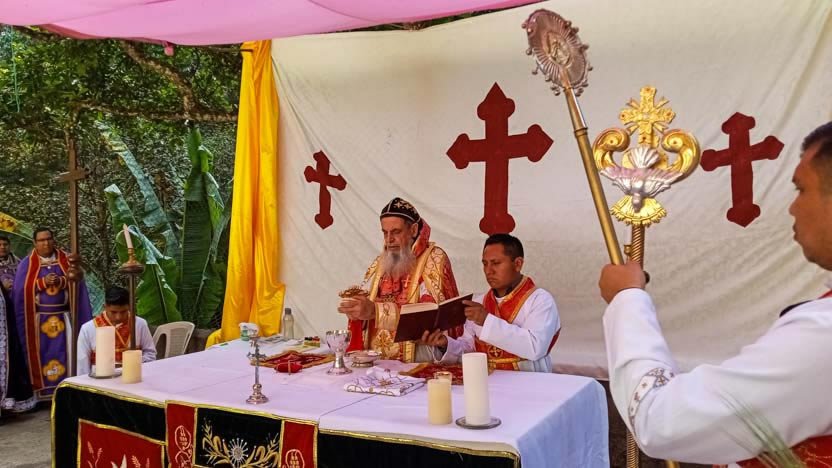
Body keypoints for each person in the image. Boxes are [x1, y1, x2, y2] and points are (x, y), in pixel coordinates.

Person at [598, 121, 832, 466]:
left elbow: (661, 420)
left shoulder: (824, 335)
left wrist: (627, 300)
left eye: (801, 189)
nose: (792, 208)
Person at [339, 197, 462, 362]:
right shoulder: (382, 261)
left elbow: (430, 318)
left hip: (417, 358)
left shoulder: (434, 259)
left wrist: (376, 312)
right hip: (377, 361)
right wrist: (357, 311)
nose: (389, 239)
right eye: (385, 232)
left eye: (396, 232)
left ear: (413, 230)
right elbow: (368, 313)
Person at [422, 233, 561, 372]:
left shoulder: (540, 300)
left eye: (496, 263)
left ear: (518, 264)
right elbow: (469, 350)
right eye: (485, 264)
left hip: (530, 381)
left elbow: (535, 348)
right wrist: (445, 345)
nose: (488, 271)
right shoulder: (479, 302)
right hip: (487, 380)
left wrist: (486, 320)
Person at [12, 227, 92, 401]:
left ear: (53, 240)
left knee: (67, 353)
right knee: (42, 355)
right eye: (41, 240)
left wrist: (62, 280)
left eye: (48, 239)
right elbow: (19, 291)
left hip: (64, 318)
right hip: (38, 322)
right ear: (35, 243)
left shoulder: (67, 260)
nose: (46, 243)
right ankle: (42, 395)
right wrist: (42, 282)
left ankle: (67, 392)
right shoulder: (27, 264)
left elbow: (78, 284)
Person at [77, 286, 155, 376]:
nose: (118, 317)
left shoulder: (139, 324)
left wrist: (133, 363)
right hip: (100, 379)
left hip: (133, 375)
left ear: (129, 307)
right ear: (105, 307)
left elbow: (150, 353)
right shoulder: (88, 328)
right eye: (113, 312)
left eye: (123, 312)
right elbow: (82, 364)